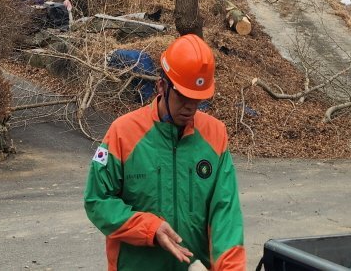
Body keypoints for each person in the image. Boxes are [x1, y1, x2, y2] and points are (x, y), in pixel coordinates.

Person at [84, 34, 245, 271]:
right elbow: (97, 200)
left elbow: (226, 214)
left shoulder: (215, 134)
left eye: (198, 99)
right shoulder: (123, 132)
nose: (190, 107)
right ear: (162, 86)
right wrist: (149, 228)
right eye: (184, 96)